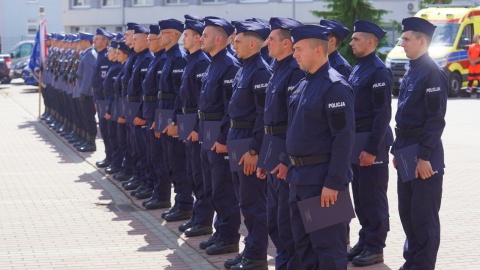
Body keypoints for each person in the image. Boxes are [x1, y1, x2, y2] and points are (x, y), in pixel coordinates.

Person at [287, 24, 355, 270]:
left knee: (329, 251)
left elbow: (343, 138)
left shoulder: (334, 86)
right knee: (304, 248)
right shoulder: (304, 84)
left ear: (318, 50)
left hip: (322, 182)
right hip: (300, 179)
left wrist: (334, 183)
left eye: (298, 49)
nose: (294, 54)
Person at [394, 17, 447, 270]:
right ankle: (411, 263)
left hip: (423, 154)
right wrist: (397, 150)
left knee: (424, 218)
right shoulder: (412, 68)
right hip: (406, 150)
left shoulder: (432, 72)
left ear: (422, 41)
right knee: (408, 214)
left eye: (406, 38)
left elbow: (435, 121)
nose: (401, 43)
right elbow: (404, 116)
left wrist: (424, 156)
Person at [256, 17, 304, 270]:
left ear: (287, 43)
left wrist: (285, 161)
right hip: (273, 151)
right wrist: (265, 158)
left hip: (286, 155)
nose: (267, 43)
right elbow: (270, 120)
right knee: (274, 219)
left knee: (287, 222)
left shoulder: (295, 72)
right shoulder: (277, 69)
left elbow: (294, 122)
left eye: (271, 39)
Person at [347, 20, 393, 267]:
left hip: (371, 143)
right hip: (358, 141)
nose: (351, 42)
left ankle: (375, 246)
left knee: (373, 197)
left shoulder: (378, 71)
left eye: (356, 39)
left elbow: (382, 114)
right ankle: (365, 240)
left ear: (370, 42)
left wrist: (372, 150)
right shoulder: (359, 67)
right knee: (361, 196)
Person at [226, 20, 272, 270]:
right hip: (237, 137)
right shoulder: (244, 68)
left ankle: (256, 256)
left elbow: (263, 115)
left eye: (238, 41)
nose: (233, 45)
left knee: (254, 202)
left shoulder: (261, 72)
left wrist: (255, 150)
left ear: (253, 44)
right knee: (243, 200)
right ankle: (249, 250)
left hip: (248, 142)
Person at [196, 16, 241, 258]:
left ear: (218, 39)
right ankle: (219, 230)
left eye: (204, 35)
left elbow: (228, 107)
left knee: (224, 187)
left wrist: (223, 138)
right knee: (212, 185)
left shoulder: (229, 66)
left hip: (218, 131)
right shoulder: (212, 63)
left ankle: (229, 237)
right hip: (207, 128)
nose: (199, 38)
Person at [177, 18, 214, 237]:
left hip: (196, 121)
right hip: (187, 120)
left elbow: (202, 101)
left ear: (198, 38)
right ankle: (197, 216)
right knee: (192, 172)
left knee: (201, 176)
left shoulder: (201, 61)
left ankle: (203, 220)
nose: (184, 39)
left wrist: (196, 128)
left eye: (187, 35)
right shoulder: (192, 60)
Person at [157, 19, 192, 222]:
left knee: (179, 163)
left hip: (174, 117)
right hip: (166, 114)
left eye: (162, 33)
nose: (160, 37)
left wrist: (174, 121)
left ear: (172, 35)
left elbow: (180, 95)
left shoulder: (178, 59)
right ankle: (180, 203)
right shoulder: (169, 57)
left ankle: (185, 204)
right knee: (170, 161)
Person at [141, 24, 171, 210]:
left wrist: (160, 120)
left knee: (163, 160)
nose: (151, 42)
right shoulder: (158, 59)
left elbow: (170, 95)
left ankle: (163, 196)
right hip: (154, 112)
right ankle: (158, 192)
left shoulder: (165, 59)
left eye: (152, 39)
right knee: (154, 157)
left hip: (159, 114)